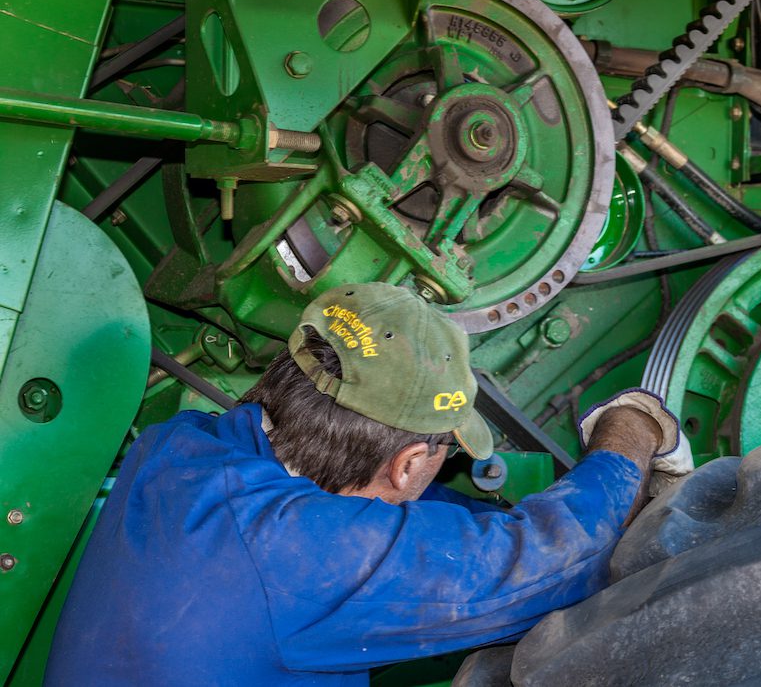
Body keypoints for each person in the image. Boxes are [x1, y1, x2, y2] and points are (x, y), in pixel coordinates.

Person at [46, 282, 687, 685]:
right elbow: (556, 558)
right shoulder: (299, 558)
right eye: (444, 452)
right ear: (409, 464)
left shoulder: (179, 448)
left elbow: (364, 524)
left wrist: (470, 516)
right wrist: (631, 428)